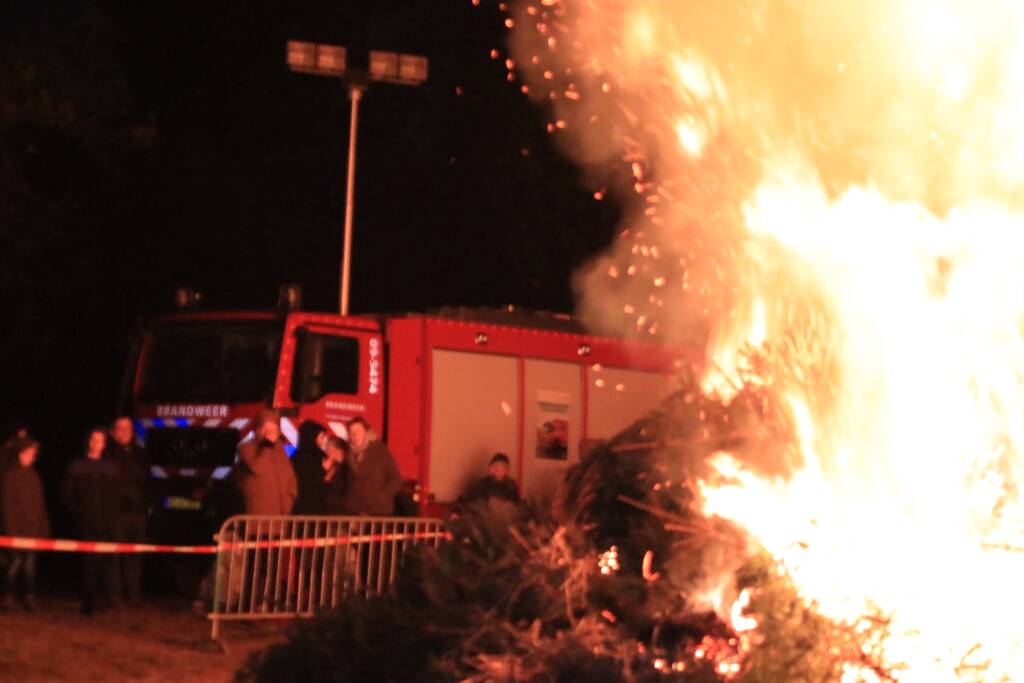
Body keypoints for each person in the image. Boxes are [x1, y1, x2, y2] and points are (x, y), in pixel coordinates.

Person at [62, 427, 123, 615]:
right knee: (89, 564)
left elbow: (117, 496)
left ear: (104, 444)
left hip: (108, 523)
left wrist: (111, 515)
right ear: (89, 442)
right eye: (94, 440)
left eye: (101, 440)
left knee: (108, 562)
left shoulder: (111, 469)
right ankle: (88, 602)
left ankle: (108, 599)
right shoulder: (77, 467)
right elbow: (67, 495)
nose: (97, 444)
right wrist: (80, 514)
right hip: (87, 523)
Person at [2, 438, 49, 610]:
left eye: (33, 455)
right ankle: (8, 595)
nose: (31, 457)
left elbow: (40, 505)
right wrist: (10, 530)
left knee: (30, 565)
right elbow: (7, 506)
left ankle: (29, 596)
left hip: (32, 531)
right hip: (15, 532)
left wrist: (43, 529)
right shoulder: (10, 476)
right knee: (14, 564)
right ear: (19, 454)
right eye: (28, 454)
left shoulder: (34, 477)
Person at [107, 416, 150, 605]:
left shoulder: (141, 454)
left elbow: (148, 482)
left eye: (128, 429)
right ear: (113, 432)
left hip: (138, 513)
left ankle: (133, 594)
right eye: (121, 428)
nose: (125, 432)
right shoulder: (108, 455)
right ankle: (115, 595)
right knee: (114, 556)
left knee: (136, 556)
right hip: (116, 513)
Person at [237, 409, 298, 516]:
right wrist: (267, 445)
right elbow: (258, 468)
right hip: (258, 513)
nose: (269, 434)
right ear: (258, 429)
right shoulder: (247, 447)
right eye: (265, 429)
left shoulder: (280, 449)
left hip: (281, 512)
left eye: (273, 430)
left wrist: (290, 497)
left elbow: (290, 476)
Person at [340, 417, 401, 516]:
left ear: (366, 432)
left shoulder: (380, 451)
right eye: (352, 432)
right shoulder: (347, 453)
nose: (355, 435)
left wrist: (380, 497)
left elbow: (395, 479)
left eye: (358, 431)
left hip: (377, 512)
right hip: (353, 511)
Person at [291, 420, 328, 514]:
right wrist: (323, 469)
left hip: (316, 507)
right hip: (306, 507)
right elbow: (308, 482)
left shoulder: (320, 455)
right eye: (321, 436)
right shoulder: (303, 458)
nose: (323, 439)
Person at [321, 436, 350, 515]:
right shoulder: (333, 467)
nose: (326, 451)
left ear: (338, 451)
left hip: (340, 512)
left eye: (329, 448)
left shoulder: (347, 469)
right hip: (330, 511)